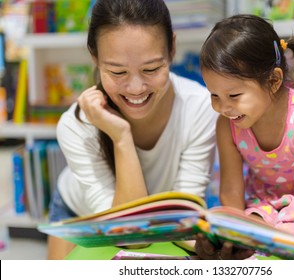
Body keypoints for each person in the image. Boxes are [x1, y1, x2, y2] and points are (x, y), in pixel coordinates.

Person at [47, 0, 217, 260]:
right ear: (94, 57)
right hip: (79, 213)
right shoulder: (76, 126)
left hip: (160, 223)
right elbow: (128, 237)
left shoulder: (200, 108)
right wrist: (121, 137)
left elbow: (183, 219)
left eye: (151, 69)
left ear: (172, 48)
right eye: (117, 71)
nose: (136, 88)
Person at [195, 14, 294, 260]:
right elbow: (230, 188)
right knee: (236, 229)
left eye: (234, 95)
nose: (223, 107)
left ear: (273, 81)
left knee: (289, 235)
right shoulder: (227, 124)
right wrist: (232, 232)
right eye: (214, 95)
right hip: (266, 200)